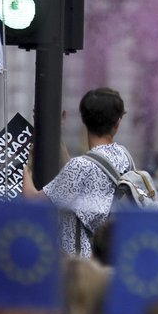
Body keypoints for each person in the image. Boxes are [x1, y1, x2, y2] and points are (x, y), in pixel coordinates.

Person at [22, 87, 135, 257]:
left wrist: (26, 170)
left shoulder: (80, 167)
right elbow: (77, 178)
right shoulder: (124, 156)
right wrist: (56, 135)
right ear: (117, 124)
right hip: (112, 259)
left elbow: (33, 201)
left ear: (84, 120)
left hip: (80, 265)